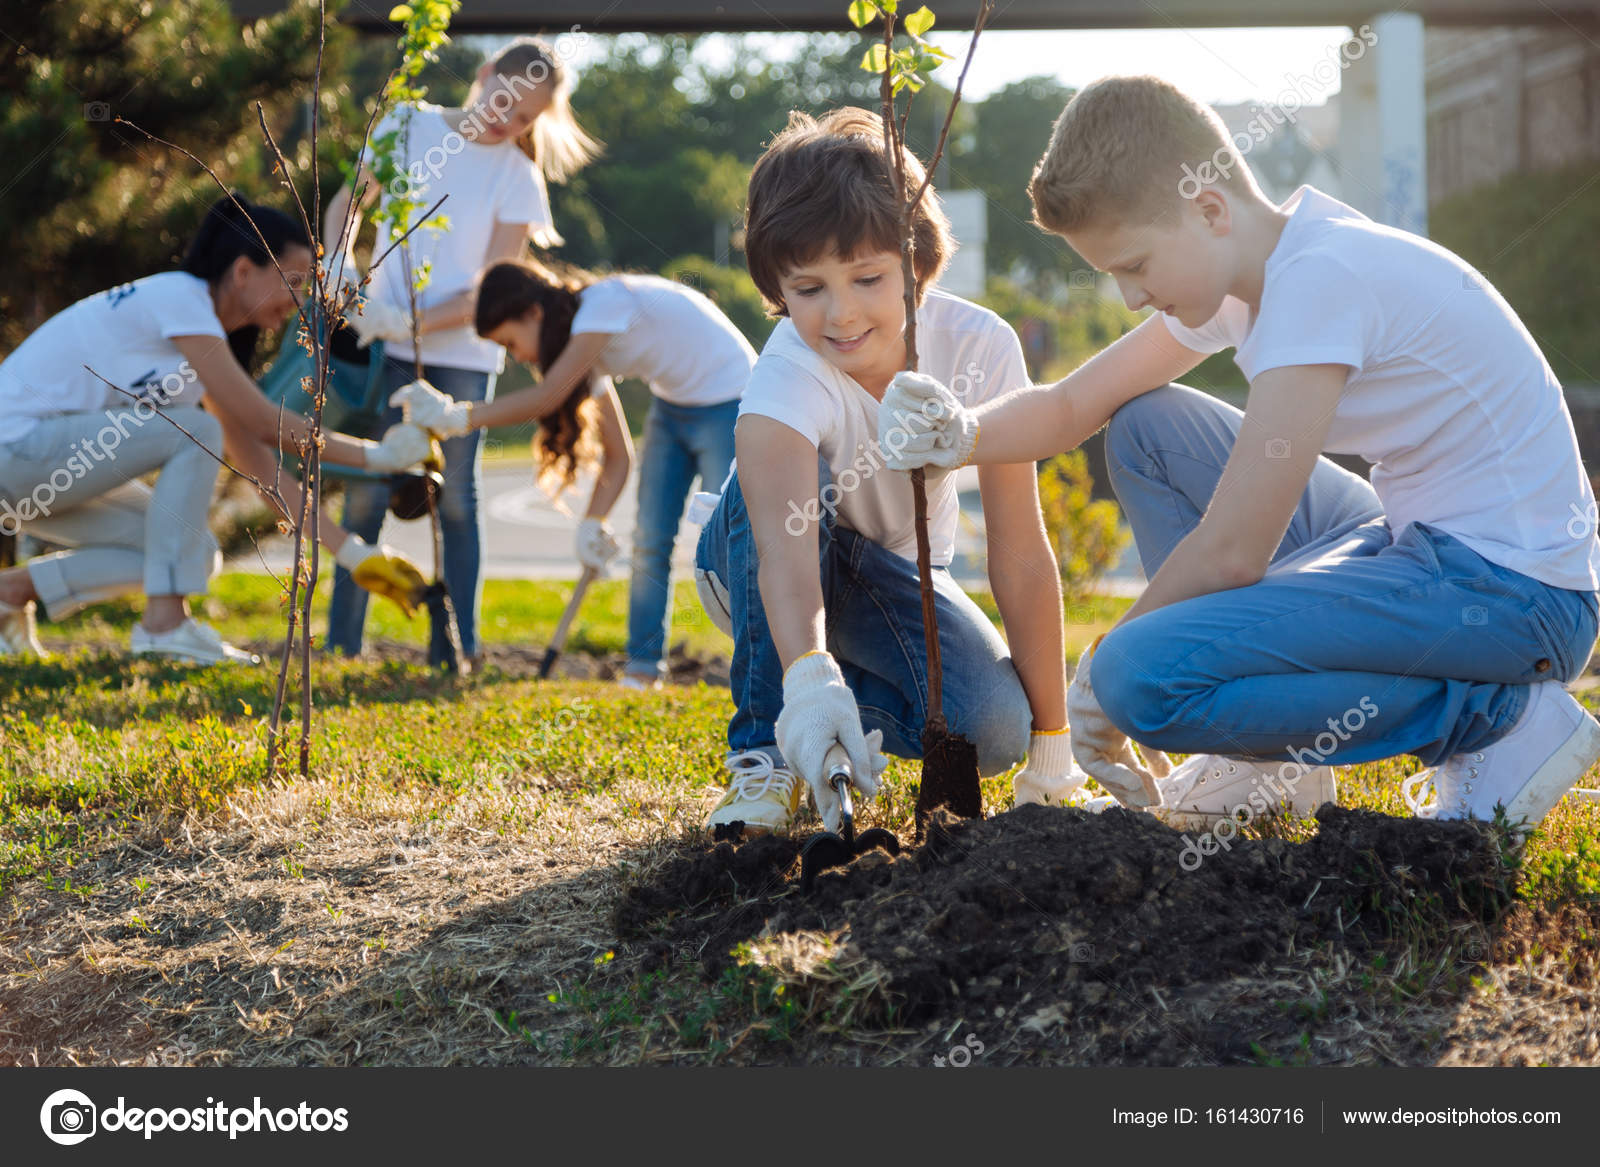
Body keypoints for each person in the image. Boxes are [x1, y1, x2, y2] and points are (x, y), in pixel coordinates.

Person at [882, 75, 1600, 833]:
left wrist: (1100, 674)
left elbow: (1233, 553)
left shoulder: (1317, 283)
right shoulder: (1260, 267)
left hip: (1515, 593)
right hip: (1420, 540)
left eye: (1134, 266)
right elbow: (1072, 406)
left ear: (1211, 209)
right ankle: (1266, 764)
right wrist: (961, 434)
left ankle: (1498, 718)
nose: (1129, 296)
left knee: (1141, 677)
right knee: (1146, 428)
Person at [675, 107, 1090, 838]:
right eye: (807, 289)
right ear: (777, 287)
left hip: (887, 579)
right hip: (761, 559)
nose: (840, 315)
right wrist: (805, 677)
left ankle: (828, 710)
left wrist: (1052, 750)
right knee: (791, 490)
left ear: (917, 264)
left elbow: (1021, 551)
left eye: (868, 278)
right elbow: (784, 547)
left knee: (992, 728)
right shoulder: (786, 376)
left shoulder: (982, 349)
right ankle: (765, 749)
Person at [0, 194, 436, 664]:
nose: (299, 301)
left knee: (197, 551)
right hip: (17, 453)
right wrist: (379, 456)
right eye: (292, 282)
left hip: (40, 476)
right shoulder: (180, 298)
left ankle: (11, 591)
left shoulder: (201, 343)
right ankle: (164, 627)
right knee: (197, 430)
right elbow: (263, 422)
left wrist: (351, 552)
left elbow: (260, 465)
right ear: (244, 271)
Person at [322, 36, 601, 667]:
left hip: (464, 357)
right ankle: (341, 645)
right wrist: (338, 260)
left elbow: (492, 287)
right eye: (505, 100)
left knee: (455, 497)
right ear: (482, 75)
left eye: (527, 117)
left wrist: (407, 322)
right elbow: (350, 199)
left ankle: (458, 648)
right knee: (368, 489)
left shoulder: (519, 178)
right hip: (378, 341)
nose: (509, 120)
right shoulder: (405, 124)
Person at [395, 257, 755, 687]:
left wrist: (458, 416)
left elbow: (548, 397)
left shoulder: (601, 307)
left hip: (732, 397)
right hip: (672, 404)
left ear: (533, 312)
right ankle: (642, 671)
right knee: (649, 542)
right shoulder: (585, 350)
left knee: (730, 543)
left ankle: (756, 666)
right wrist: (592, 522)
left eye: (511, 343)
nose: (518, 357)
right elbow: (618, 456)